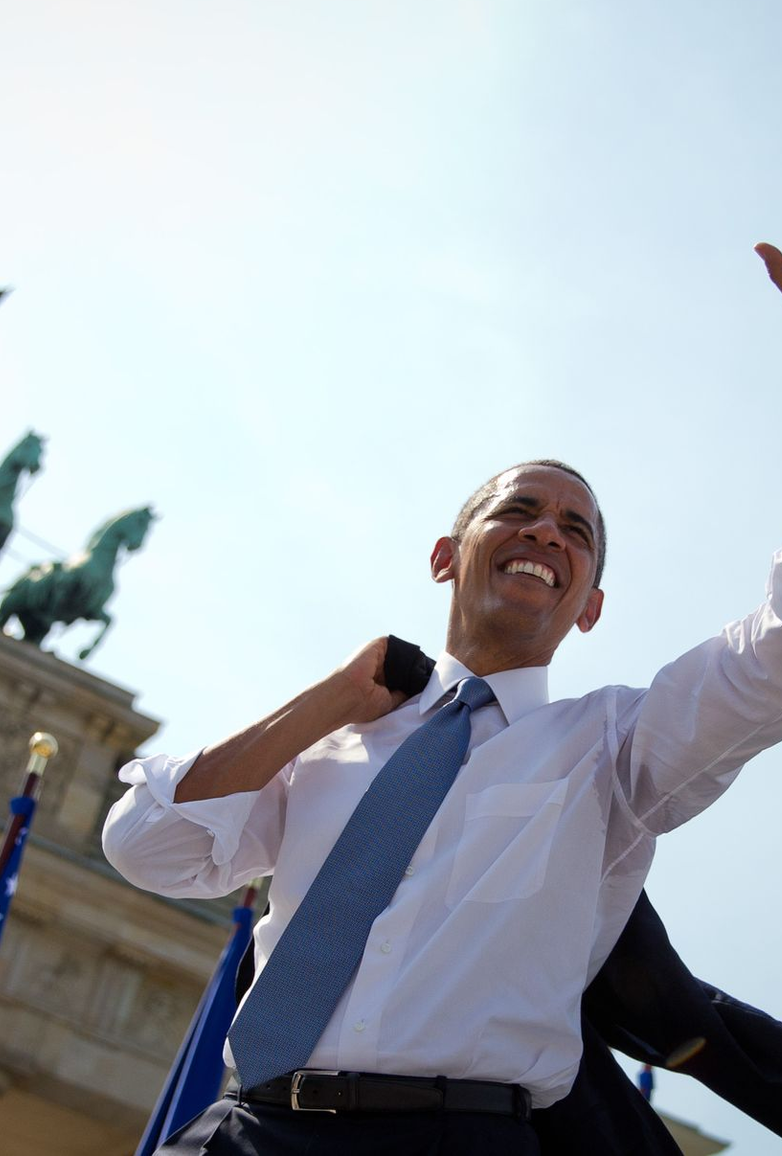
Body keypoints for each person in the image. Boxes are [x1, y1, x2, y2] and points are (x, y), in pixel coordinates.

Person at [102, 245, 782, 1155]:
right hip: (253, 1126)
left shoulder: (616, 748)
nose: (546, 529)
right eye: (518, 511)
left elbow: (770, 656)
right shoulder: (330, 746)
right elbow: (147, 845)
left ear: (591, 608)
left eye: (575, 532)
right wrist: (330, 701)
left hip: (459, 1136)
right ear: (445, 557)